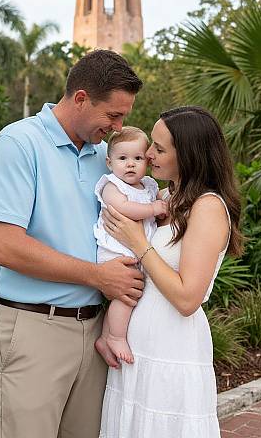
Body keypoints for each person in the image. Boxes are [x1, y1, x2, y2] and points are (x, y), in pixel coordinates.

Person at [0, 49, 145, 438]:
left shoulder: (106, 156)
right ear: (82, 98)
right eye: (113, 115)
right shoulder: (18, 144)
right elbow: (5, 247)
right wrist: (99, 277)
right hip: (34, 329)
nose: (120, 126)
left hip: (96, 331)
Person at [99, 106, 244, 438]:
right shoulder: (161, 197)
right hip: (136, 344)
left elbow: (186, 298)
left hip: (171, 347)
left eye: (160, 149)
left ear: (190, 155)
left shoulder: (208, 207)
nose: (148, 155)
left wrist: (139, 243)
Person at [93, 126, 167, 365]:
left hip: (135, 248)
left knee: (130, 293)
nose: (130, 164)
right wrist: (153, 209)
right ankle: (115, 336)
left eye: (137, 158)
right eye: (122, 158)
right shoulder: (112, 186)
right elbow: (124, 209)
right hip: (117, 251)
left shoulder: (148, 186)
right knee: (127, 295)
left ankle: (105, 337)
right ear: (109, 161)